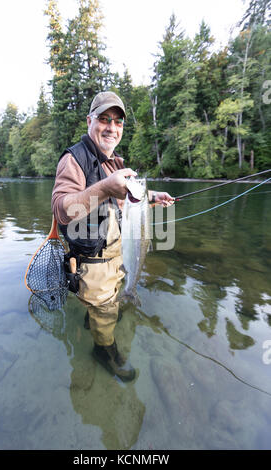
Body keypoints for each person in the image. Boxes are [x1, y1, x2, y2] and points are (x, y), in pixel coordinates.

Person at [51, 91, 174, 382]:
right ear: (89, 120)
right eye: (104, 119)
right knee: (106, 312)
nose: (111, 127)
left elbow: (125, 200)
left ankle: (93, 316)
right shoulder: (73, 160)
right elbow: (61, 210)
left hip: (117, 256)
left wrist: (153, 197)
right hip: (92, 263)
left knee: (112, 299)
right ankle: (104, 351)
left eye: (118, 121)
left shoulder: (114, 162)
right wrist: (105, 187)